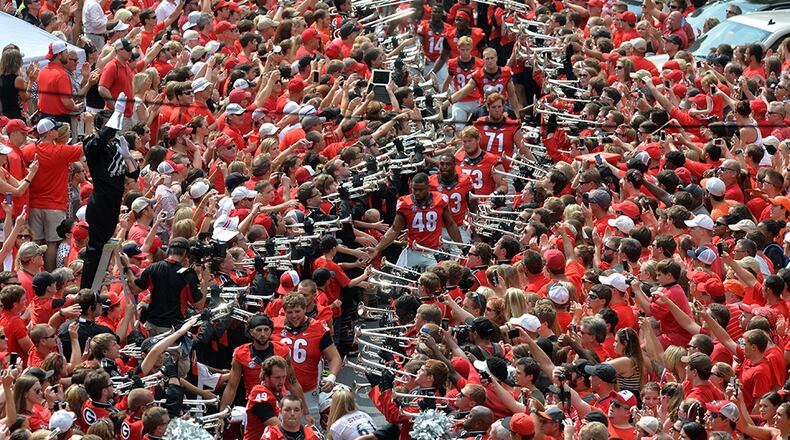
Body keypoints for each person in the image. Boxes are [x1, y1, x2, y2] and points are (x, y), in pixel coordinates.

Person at [81, 101, 140, 290]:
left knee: (103, 249)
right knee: (95, 250)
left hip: (114, 202)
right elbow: (99, 141)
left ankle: (96, 289)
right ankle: (87, 291)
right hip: (100, 202)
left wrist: (127, 156)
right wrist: (117, 113)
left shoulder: (116, 145)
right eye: (110, 124)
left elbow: (133, 174)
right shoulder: (91, 143)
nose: (114, 128)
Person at [22, 118, 84, 271]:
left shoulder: (27, 150)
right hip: (54, 206)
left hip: (34, 205)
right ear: (50, 133)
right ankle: (50, 275)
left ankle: (35, 274)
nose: (57, 131)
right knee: (52, 243)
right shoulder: (61, 151)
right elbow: (85, 149)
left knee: (36, 243)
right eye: (55, 129)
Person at [271, 292, 341, 423]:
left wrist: (331, 377)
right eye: (289, 312)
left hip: (308, 390)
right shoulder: (273, 326)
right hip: (278, 390)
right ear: (284, 311)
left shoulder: (318, 328)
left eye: (297, 311)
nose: (294, 316)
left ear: (305, 309)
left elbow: (334, 357)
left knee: (309, 427)